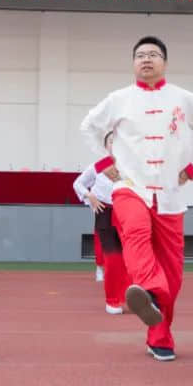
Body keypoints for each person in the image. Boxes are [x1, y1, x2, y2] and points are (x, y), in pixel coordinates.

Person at [80, 36, 193, 362]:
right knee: (135, 231)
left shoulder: (185, 99)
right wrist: (105, 163)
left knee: (174, 273)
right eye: (140, 55)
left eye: (153, 55)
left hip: (170, 194)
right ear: (133, 64)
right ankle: (152, 292)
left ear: (165, 63)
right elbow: (88, 127)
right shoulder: (119, 99)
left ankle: (159, 335)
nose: (147, 59)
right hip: (130, 186)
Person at [72, 131, 129, 313]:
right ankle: (112, 301)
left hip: (128, 213)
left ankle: (132, 297)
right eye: (111, 141)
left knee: (132, 258)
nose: (115, 144)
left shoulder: (131, 165)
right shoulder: (100, 165)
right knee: (112, 257)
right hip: (105, 211)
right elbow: (78, 184)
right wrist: (90, 196)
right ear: (106, 146)